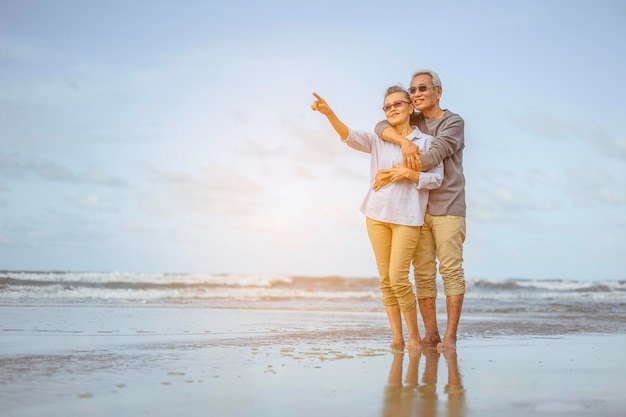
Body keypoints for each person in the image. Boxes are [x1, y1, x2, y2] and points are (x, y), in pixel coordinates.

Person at [311, 86, 443, 351]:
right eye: (387, 106)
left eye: (397, 104)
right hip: (376, 215)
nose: (392, 109)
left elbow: (436, 179)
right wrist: (329, 114)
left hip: (408, 218)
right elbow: (348, 136)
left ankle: (415, 338)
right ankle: (397, 337)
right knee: (385, 280)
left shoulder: (425, 142)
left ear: (410, 107)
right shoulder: (378, 139)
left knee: (398, 278)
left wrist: (405, 173)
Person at [373, 69, 466, 351]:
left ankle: (450, 337)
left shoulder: (453, 122)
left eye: (423, 88)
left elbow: (435, 155)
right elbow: (380, 126)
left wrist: (400, 170)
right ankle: (431, 335)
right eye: (413, 90)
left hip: (448, 205)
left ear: (438, 92)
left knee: (451, 270)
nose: (417, 94)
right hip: (416, 209)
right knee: (423, 273)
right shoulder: (413, 120)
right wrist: (404, 141)